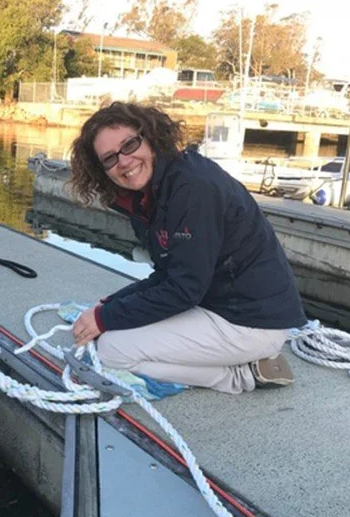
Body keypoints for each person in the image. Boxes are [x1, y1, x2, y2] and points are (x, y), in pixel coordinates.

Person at [69, 102, 307, 394]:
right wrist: (109, 305)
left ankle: (241, 375)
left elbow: (184, 289)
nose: (124, 161)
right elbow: (170, 273)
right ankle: (238, 364)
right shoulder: (153, 193)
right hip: (217, 304)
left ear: (151, 138)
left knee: (111, 351)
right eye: (109, 158)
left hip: (250, 321)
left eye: (129, 144)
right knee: (111, 327)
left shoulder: (192, 188)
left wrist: (103, 319)